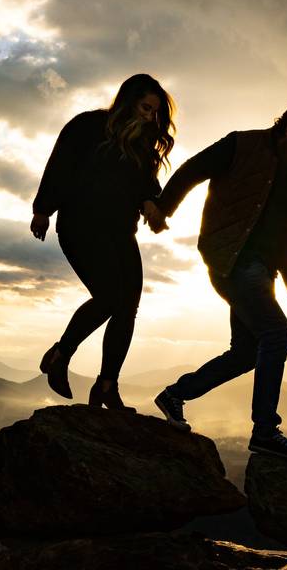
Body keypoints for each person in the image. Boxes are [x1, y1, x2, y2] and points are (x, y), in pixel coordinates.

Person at [148, 99, 287, 458]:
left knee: (247, 352)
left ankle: (175, 394)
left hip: (264, 272)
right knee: (276, 334)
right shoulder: (242, 145)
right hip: (232, 262)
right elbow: (192, 170)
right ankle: (265, 431)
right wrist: (163, 207)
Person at [30, 73, 175, 411]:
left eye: (154, 112)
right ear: (127, 99)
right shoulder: (88, 125)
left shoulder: (141, 143)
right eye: (145, 107)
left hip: (120, 231)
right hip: (80, 226)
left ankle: (107, 387)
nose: (148, 116)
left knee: (127, 307)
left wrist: (152, 203)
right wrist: (42, 209)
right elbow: (60, 165)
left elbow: (145, 185)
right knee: (110, 297)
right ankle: (60, 354)